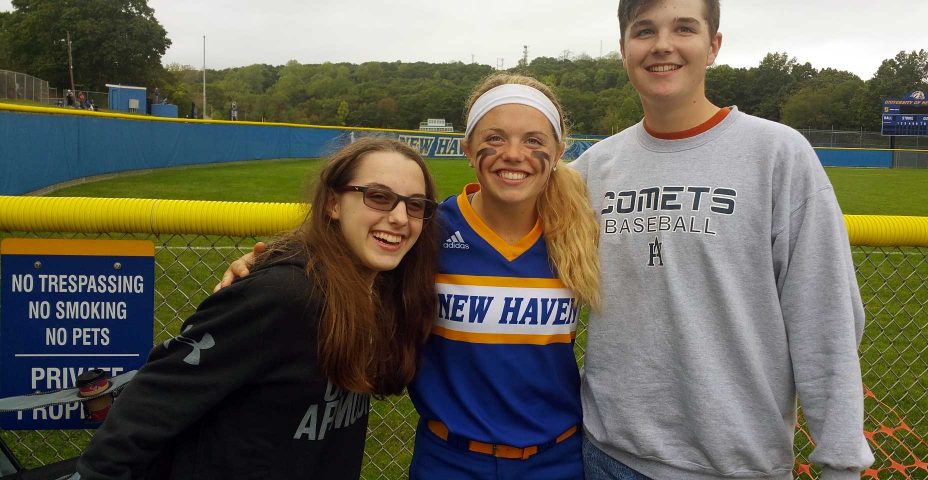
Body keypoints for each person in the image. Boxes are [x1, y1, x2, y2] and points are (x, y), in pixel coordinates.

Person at [572, 0, 874, 479]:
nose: (662, 45)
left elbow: (825, 319)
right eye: (644, 30)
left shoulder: (777, 154)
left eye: (683, 28)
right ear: (624, 49)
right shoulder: (591, 171)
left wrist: (841, 463)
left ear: (713, 45)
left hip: (737, 467)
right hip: (606, 458)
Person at [220, 74, 601, 480]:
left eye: (533, 141)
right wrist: (276, 259)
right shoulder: (428, 230)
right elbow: (345, 249)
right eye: (494, 138)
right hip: (450, 460)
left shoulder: (582, 232)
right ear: (467, 149)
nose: (512, 154)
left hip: (555, 460)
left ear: (559, 151)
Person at [75, 137, 440, 479]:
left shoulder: (378, 292)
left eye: (416, 205)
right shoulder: (282, 295)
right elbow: (145, 411)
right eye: (378, 196)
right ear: (332, 203)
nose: (400, 217)